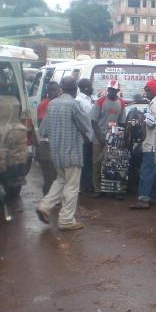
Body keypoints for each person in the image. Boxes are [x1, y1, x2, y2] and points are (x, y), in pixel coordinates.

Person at [36, 76, 91, 231]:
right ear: (75, 90)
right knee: (72, 187)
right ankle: (66, 220)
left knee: (60, 180)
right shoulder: (74, 104)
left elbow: (43, 130)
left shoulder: (52, 104)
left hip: (56, 153)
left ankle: (45, 206)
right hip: (72, 153)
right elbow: (86, 126)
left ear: (61, 88)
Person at [89, 79, 126, 199]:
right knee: (97, 163)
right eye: (110, 89)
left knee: (113, 164)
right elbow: (93, 121)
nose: (111, 92)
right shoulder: (100, 102)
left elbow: (121, 122)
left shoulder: (121, 103)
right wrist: (100, 138)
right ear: (107, 89)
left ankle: (113, 190)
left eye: (114, 90)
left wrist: (117, 138)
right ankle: (97, 189)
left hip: (113, 138)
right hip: (98, 137)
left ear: (117, 91)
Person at [130, 79, 156, 210]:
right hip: (152, 142)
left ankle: (143, 199)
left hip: (151, 144)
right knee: (151, 172)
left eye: (148, 90)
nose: (146, 92)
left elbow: (152, 122)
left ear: (154, 91)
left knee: (145, 172)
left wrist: (141, 116)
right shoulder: (155, 102)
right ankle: (154, 197)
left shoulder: (155, 104)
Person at [37, 81, 61, 195]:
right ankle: (47, 200)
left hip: (55, 144)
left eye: (57, 90)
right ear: (49, 91)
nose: (56, 92)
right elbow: (43, 127)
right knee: (49, 176)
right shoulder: (45, 104)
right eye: (53, 90)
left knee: (55, 175)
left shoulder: (56, 103)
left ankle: (50, 199)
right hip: (47, 144)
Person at [77, 78, 95, 195]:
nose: (92, 87)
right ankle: (84, 187)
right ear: (85, 87)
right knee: (85, 163)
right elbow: (78, 121)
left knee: (89, 162)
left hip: (91, 135)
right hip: (84, 138)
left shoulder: (90, 99)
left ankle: (89, 185)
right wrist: (85, 137)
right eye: (90, 85)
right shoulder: (78, 101)